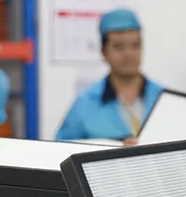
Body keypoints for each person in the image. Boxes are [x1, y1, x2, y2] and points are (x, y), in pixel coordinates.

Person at [53, 9, 162, 142]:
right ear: (104, 52)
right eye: (119, 47)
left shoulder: (163, 98)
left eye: (135, 45)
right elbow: (62, 148)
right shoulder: (85, 103)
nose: (128, 53)